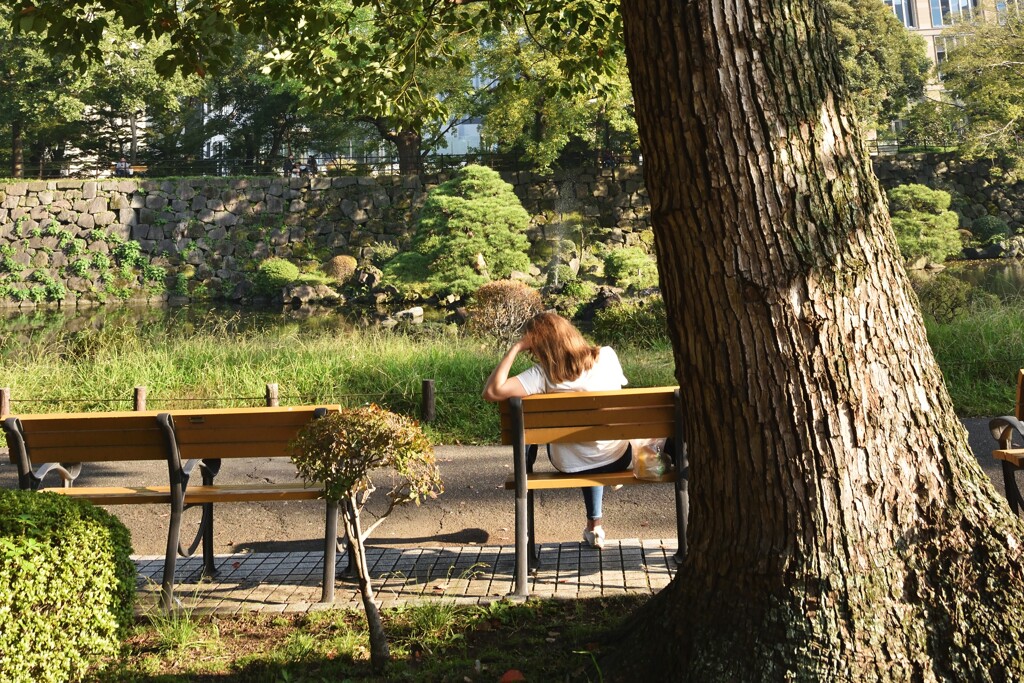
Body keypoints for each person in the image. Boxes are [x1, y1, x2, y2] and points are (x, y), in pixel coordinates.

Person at [482, 311, 631, 550]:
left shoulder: (541, 375)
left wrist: (515, 347)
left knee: (581, 449)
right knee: (592, 443)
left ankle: (593, 526)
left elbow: (491, 391)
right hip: (617, 457)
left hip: (570, 464)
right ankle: (595, 527)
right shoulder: (607, 356)